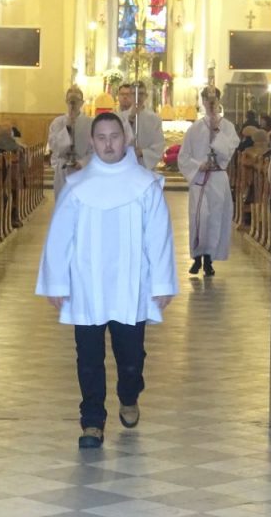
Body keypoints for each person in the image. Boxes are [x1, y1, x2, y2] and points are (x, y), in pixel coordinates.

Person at [36, 112, 177, 449]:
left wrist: (162, 283)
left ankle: (129, 395)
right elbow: (59, 237)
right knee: (88, 358)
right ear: (92, 141)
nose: (109, 144)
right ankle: (92, 421)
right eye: (101, 138)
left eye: (115, 136)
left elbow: (159, 237)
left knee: (131, 358)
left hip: (132, 284)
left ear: (125, 139)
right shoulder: (77, 186)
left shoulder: (145, 185)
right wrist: (57, 283)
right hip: (88, 284)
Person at [178, 86, 239, 276]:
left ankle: (209, 260)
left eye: (214, 101)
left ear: (219, 102)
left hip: (218, 178)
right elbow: (183, 157)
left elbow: (228, 151)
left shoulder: (227, 127)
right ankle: (197, 257)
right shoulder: (194, 128)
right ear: (203, 102)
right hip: (199, 179)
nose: (211, 104)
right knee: (200, 217)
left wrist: (216, 130)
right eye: (207, 100)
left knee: (215, 218)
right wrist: (198, 165)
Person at [47, 85, 93, 200]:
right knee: (64, 204)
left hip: (82, 171)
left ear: (82, 103)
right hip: (63, 171)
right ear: (66, 102)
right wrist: (67, 127)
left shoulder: (90, 123)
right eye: (70, 101)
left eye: (76, 100)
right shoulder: (58, 122)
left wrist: (82, 162)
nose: (73, 104)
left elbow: (94, 150)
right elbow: (54, 146)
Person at [120, 81, 165, 170]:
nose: (138, 97)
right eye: (134, 93)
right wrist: (130, 120)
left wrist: (142, 152)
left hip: (145, 166)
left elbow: (159, 145)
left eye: (141, 94)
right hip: (125, 166)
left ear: (146, 96)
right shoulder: (121, 117)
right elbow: (118, 140)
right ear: (130, 96)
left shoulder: (154, 119)